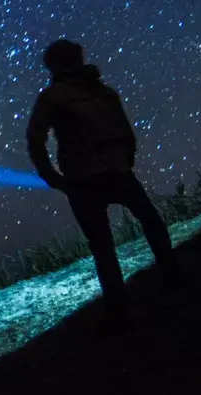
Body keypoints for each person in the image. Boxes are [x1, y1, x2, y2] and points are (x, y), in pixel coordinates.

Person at [25, 39, 181, 330]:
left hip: (83, 178)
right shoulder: (102, 92)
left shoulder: (54, 97)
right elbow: (125, 131)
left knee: (104, 246)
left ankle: (119, 310)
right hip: (112, 170)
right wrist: (125, 159)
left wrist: (54, 177)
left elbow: (35, 140)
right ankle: (171, 279)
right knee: (149, 223)